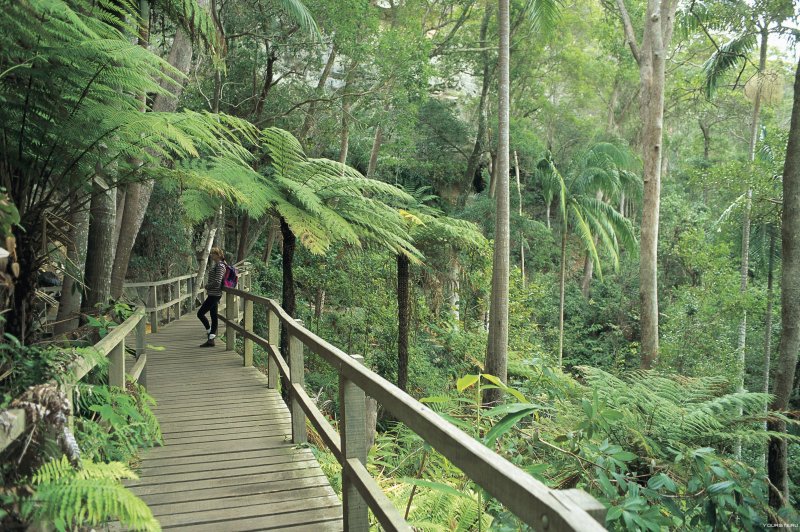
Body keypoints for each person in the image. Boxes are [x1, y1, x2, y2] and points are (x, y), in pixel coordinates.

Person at [197, 247, 226, 347]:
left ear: (218, 255)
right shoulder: (218, 265)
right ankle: (211, 339)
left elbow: (218, 281)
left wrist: (207, 286)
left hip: (215, 294)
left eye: (213, 254)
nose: (211, 255)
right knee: (214, 316)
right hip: (213, 294)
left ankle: (210, 334)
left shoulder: (220, 266)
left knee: (200, 313)